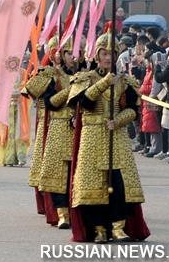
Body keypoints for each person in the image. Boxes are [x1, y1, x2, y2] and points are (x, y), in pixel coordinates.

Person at [66, 33, 150, 243]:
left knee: (118, 182)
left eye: (111, 54)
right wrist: (104, 83)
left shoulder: (124, 80)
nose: (107, 58)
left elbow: (133, 110)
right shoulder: (84, 78)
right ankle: (99, 228)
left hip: (116, 136)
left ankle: (118, 226)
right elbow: (82, 103)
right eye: (103, 54)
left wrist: (118, 120)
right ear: (96, 55)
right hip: (92, 134)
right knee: (92, 183)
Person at [24, 38, 76, 228]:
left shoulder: (86, 74)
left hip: (82, 128)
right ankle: (61, 212)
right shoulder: (50, 74)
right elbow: (48, 101)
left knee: (77, 171)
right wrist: (70, 89)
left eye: (77, 53)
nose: (74, 57)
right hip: (58, 126)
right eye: (70, 53)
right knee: (57, 171)